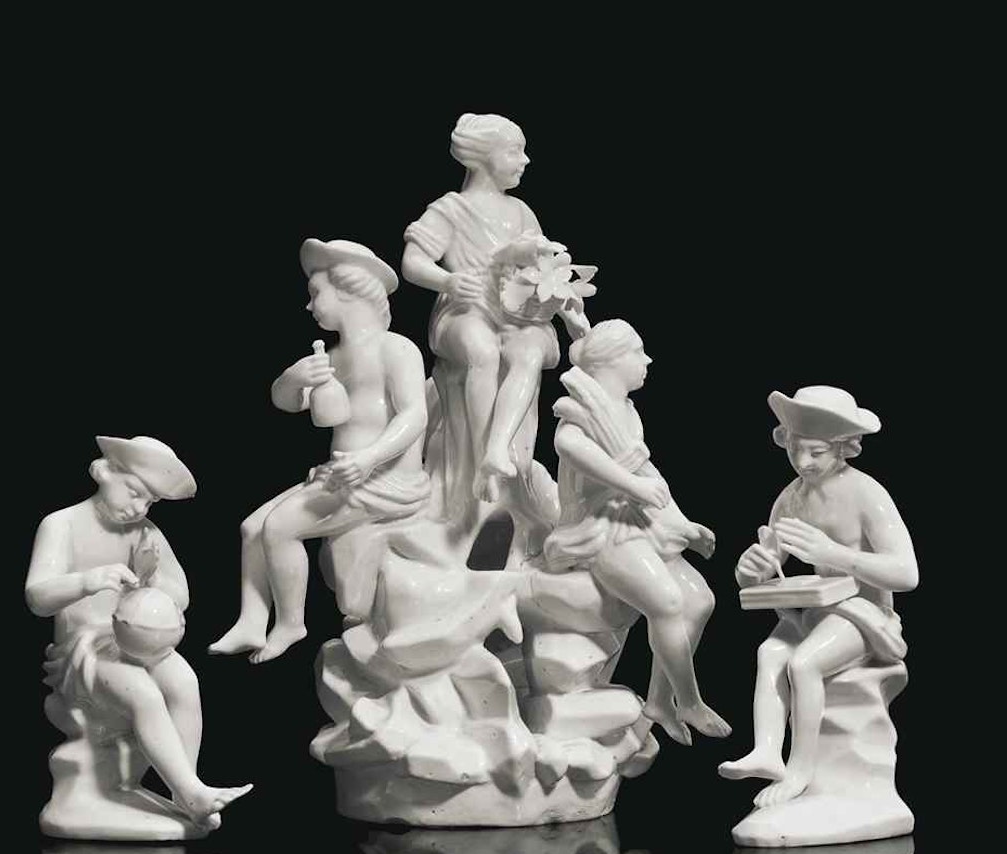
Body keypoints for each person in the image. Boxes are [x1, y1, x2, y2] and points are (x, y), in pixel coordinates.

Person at [209, 239, 430, 663]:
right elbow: (288, 402)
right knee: (252, 528)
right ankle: (252, 621)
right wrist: (292, 380)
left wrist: (369, 458)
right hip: (342, 475)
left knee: (279, 528)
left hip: (386, 480)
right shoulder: (332, 358)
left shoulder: (396, 348)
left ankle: (292, 623)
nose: (309, 306)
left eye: (316, 294)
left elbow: (414, 415)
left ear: (349, 290)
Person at [26, 436, 252, 828]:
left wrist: (149, 580)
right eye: (134, 492)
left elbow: (180, 594)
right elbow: (37, 597)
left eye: (149, 501)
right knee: (144, 694)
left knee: (184, 682)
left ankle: (185, 790)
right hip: (84, 648)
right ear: (104, 472)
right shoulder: (61, 524)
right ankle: (192, 793)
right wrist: (88, 581)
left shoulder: (145, 533)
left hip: (139, 642)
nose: (139, 508)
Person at [718, 386, 918, 807]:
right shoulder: (791, 498)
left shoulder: (867, 494)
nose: (803, 461)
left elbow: (906, 573)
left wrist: (831, 554)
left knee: (804, 663)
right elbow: (767, 563)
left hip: (866, 615)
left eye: (816, 452)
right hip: (816, 611)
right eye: (795, 449)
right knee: (770, 652)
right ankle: (767, 752)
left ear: (844, 448)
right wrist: (749, 569)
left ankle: (800, 772)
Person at [541, 320, 730, 743]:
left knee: (700, 600)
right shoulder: (579, 408)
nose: (647, 360)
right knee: (667, 601)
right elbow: (570, 446)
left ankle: (660, 701)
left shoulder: (624, 410)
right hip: (598, 527)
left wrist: (683, 523)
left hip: (634, 521)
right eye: (637, 352)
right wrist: (630, 485)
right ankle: (690, 701)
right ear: (611, 360)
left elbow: (648, 472)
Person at [402, 113, 589, 504]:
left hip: (517, 316)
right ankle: (476, 461)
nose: (525, 161)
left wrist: (565, 307)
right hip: (464, 311)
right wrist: (448, 281)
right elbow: (413, 263)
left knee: (529, 352)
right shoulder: (450, 209)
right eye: (515, 152)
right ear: (483, 156)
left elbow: (544, 270)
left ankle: (497, 450)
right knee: (482, 351)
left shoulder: (521, 212)